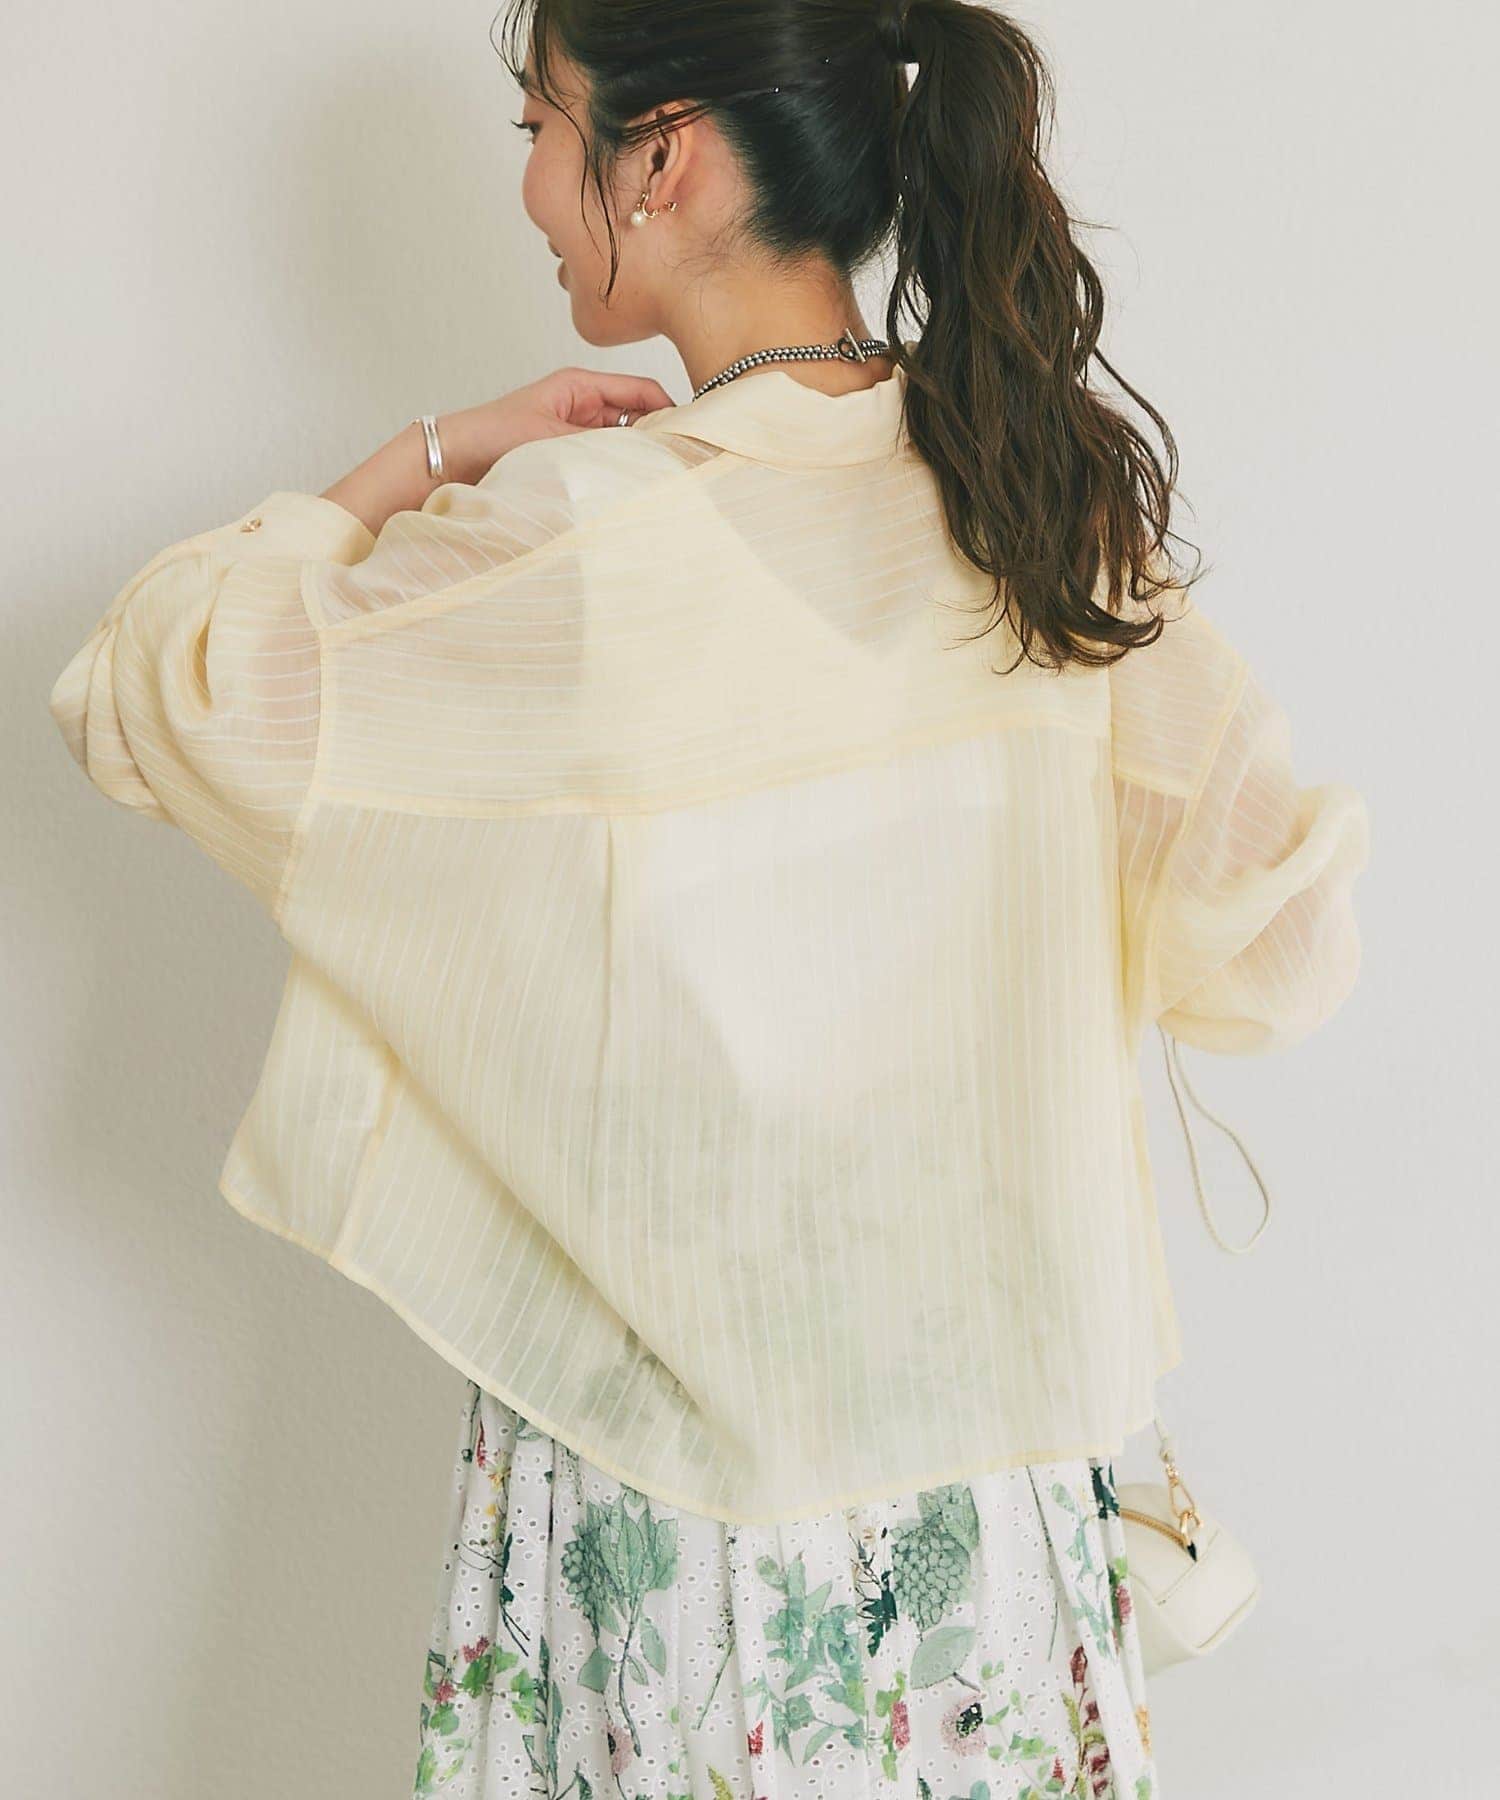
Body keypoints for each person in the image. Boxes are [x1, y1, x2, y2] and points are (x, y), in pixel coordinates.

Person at [46, 2, 1371, 1796]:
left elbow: (162, 688)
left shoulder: (587, 539)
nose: (531, 184)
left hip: (673, 1510)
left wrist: (432, 452)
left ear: (658, 155)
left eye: (541, 124)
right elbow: (1283, 942)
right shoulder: (1026, 503)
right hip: (987, 1522)